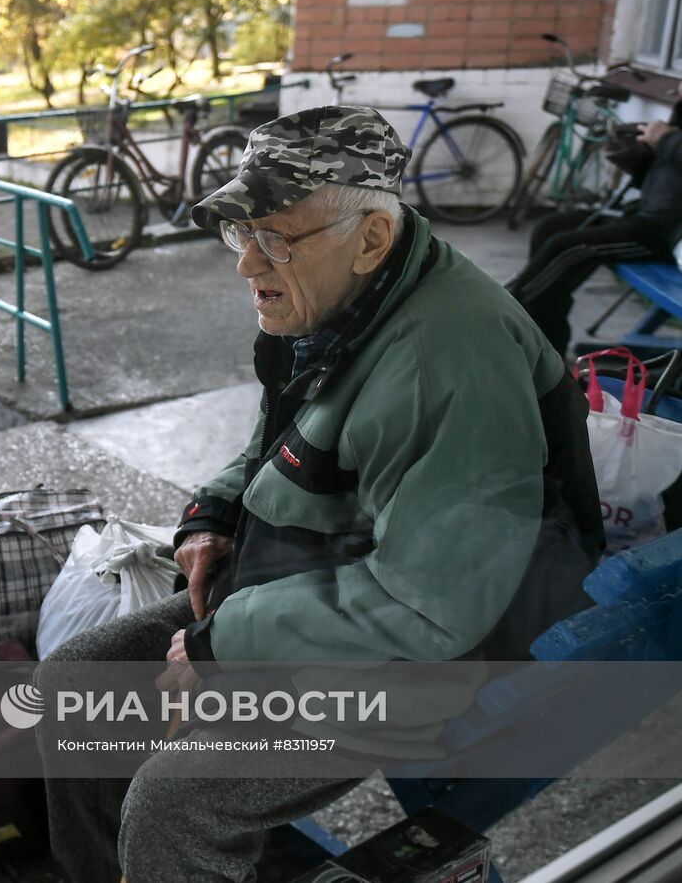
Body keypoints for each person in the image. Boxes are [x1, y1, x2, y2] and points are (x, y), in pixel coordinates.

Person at [38, 106, 605, 883]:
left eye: (275, 238)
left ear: (371, 238)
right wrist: (214, 513)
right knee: (74, 688)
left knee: (177, 801)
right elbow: (283, 442)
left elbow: (432, 608)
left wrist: (224, 644)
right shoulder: (334, 302)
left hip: (441, 646)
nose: (248, 265)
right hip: (318, 584)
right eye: (242, 233)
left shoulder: (445, 359)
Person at [507, 84, 682, 355]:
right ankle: (546, 345)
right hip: (640, 215)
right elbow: (668, 177)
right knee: (549, 228)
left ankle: (510, 319)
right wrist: (639, 154)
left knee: (566, 249)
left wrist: (666, 140)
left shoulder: (672, 134)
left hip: (663, 237)